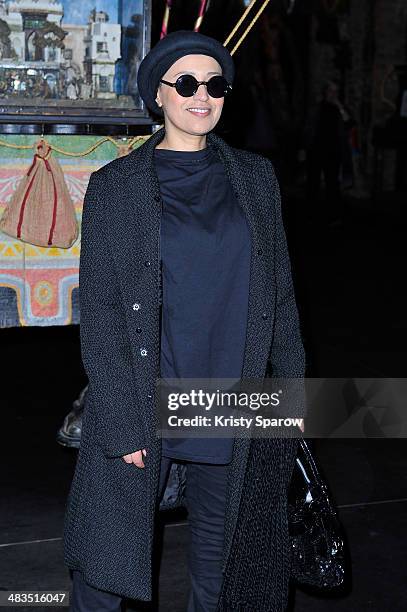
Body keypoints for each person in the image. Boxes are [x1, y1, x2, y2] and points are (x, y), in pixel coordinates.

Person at [63, 30, 306, 612]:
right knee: (104, 570)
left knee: (224, 572)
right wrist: (122, 418)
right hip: (145, 402)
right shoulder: (115, 187)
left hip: (232, 400)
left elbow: (281, 297)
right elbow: (99, 311)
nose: (204, 96)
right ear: (158, 96)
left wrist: (292, 401)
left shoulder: (255, 179)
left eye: (216, 84)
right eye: (188, 84)